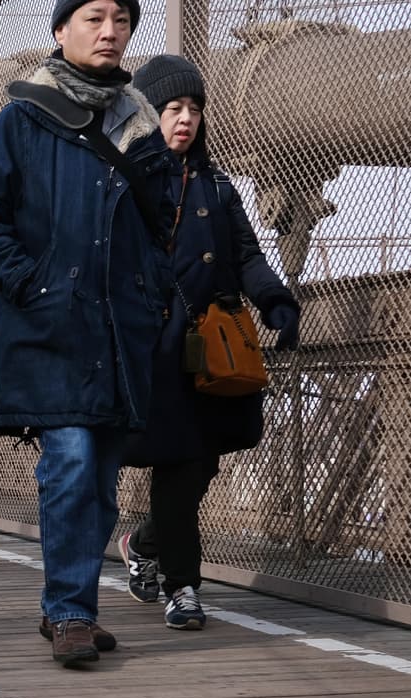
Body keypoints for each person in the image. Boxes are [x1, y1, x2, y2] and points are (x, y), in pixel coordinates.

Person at [0, 0, 169, 666]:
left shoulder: (142, 124)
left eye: (122, 20)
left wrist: (154, 294)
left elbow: (165, 221)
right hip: (50, 325)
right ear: (60, 30)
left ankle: (71, 608)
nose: (110, 31)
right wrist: (28, 283)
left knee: (101, 477)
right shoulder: (23, 117)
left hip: (119, 330)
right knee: (72, 460)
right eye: (94, 17)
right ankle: (71, 610)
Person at [120, 55, 301, 630]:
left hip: (212, 346)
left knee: (199, 467)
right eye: (173, 108)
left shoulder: (218, 186)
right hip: (154, 349)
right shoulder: (125, 181)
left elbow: (246, 255)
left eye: (194, 109)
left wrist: (276, 301)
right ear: (148, 113)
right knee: (180, 463)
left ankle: (144, 544)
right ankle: (183, 589)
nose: (185, 119)